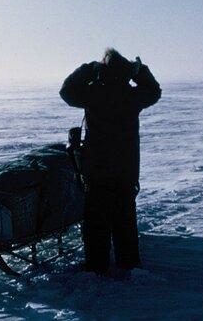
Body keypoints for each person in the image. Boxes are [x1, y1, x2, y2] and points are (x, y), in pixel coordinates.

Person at [60, 48, 161, 275]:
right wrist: (139, 71)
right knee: (125, 217)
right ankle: (129, 262)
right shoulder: (131, 96)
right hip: (126, 168)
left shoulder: (94, 94)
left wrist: (89, 69)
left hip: (98, 168)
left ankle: (97, 266)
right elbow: (154, 92)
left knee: (97, 220)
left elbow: (66, 91)